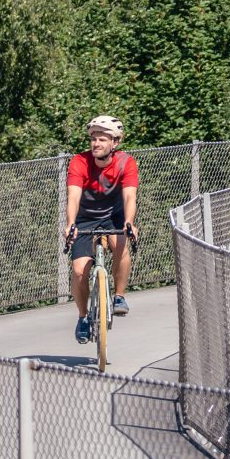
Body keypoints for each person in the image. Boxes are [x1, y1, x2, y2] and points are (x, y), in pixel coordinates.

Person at [64, 115, 139, 343]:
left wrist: (129, 222)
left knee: (121, 245)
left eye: (102, 139)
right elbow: (73, 196)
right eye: (94, 139)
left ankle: (119, 296)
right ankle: (83, 317)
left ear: (115, 143)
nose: (96, 144)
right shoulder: (79, 161)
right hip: (85, 218)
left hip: (113, 216)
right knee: (79, 271)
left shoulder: (126, 163)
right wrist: (70, 224)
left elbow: (130, 196)